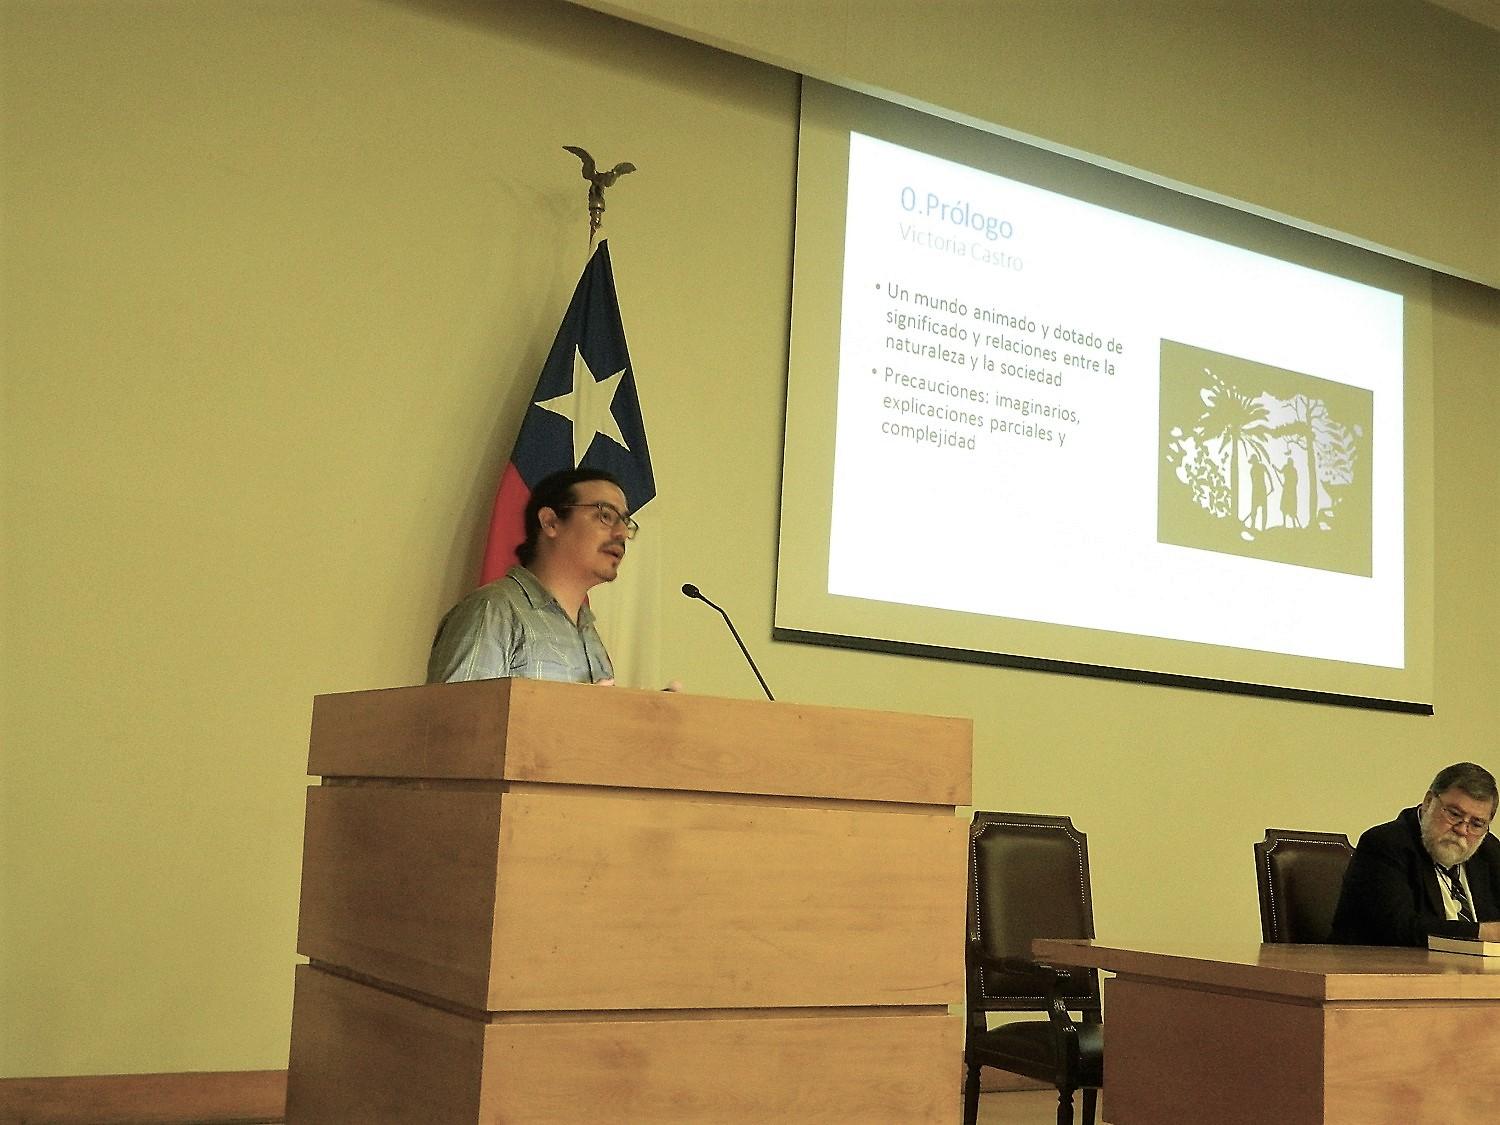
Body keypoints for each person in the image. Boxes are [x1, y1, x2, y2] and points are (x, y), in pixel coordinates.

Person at [426, 467, 635, 684]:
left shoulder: (589, 632)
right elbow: (455, 715)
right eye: (605, 516)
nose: (622, 533)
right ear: (550, 522)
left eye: (625, 522)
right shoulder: (493, 611)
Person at [1329, 762, 1500, 946]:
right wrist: (1483, 932)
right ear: (1428, 802)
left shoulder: (1489, 852)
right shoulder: (1385, 844)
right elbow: (1399, 928)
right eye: (1454, 814)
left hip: (1473, 973)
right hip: (1381, 969)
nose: (1462, 830)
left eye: (1476, 824)